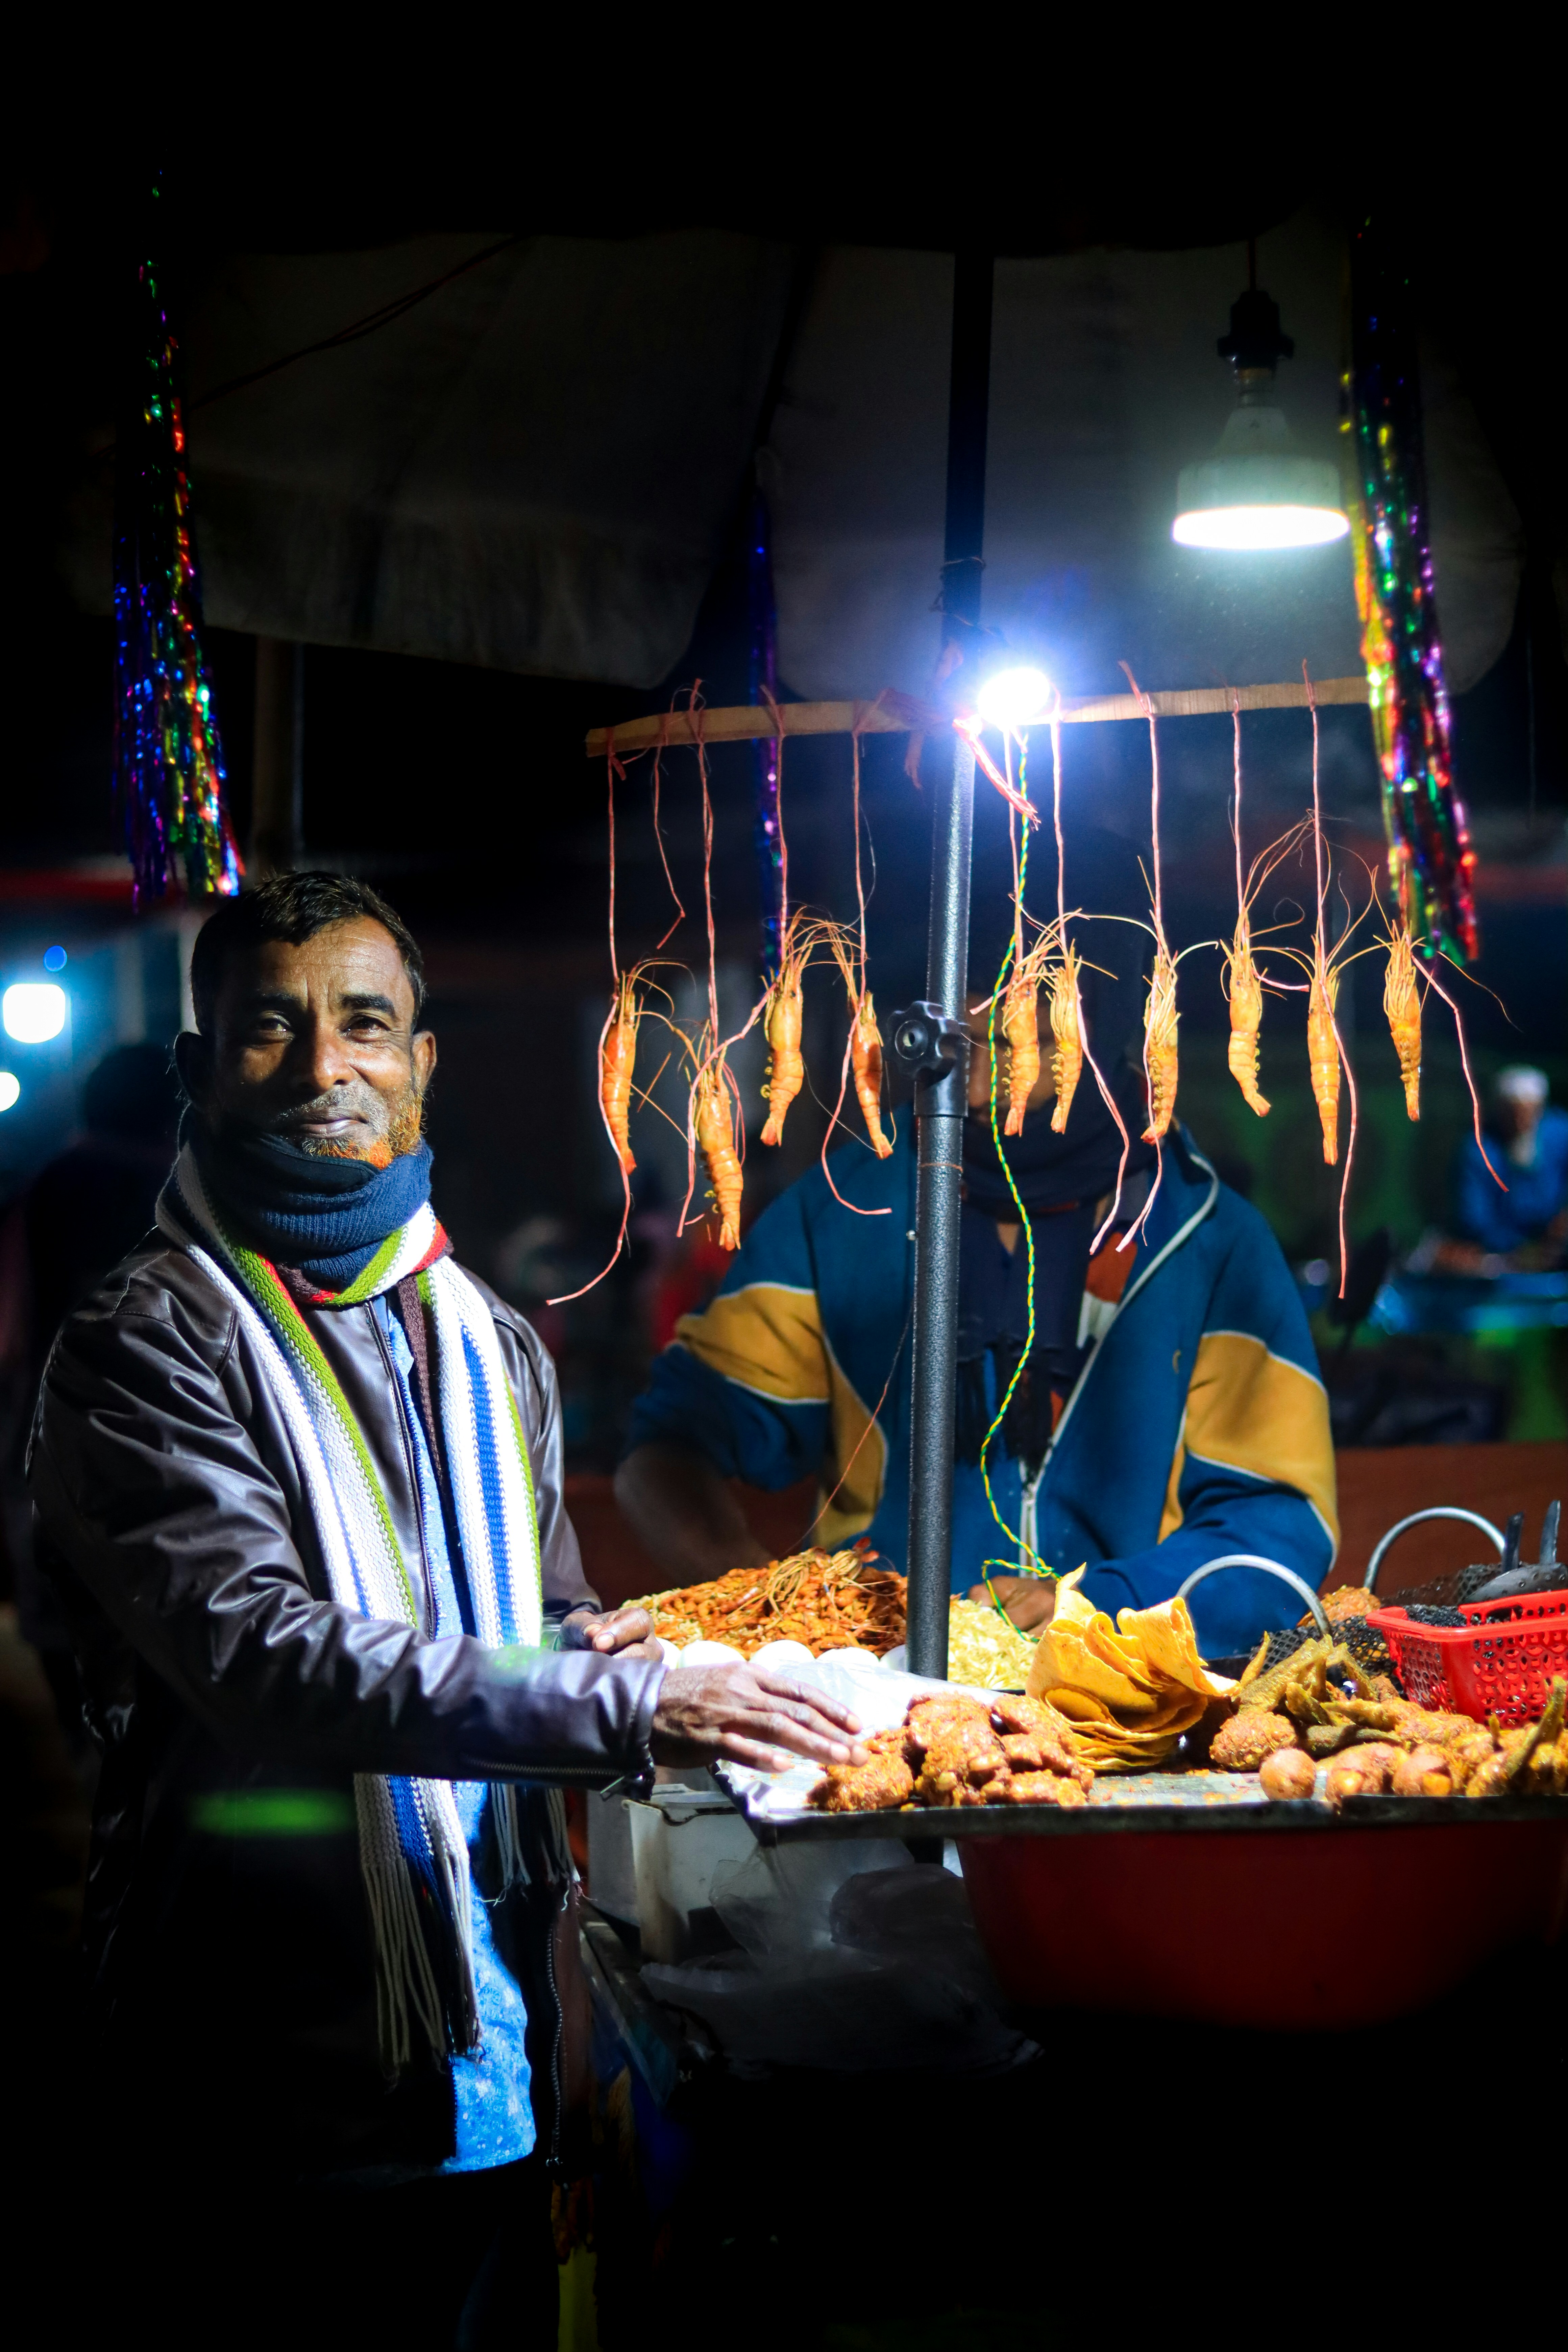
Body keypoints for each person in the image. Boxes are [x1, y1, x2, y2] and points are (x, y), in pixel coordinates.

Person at [27, 873, 860, 2346]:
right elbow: (265, 1656)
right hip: (261, 2069)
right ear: (198, 1067)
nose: (322, 1066)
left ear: (422, 1061)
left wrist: (617, 1644)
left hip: (491, 2050)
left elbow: (536, 1625)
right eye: (268, 1029)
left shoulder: (486, 1339)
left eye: (362, 1022)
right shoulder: (144, 1342)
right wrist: (620, 1700)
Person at [616, 830, 1336, 1658]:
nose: (985, 1013)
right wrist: (770, 1626)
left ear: (1095, 1013)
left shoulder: (1207, 1240)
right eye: (962, 983)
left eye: (1032, 982)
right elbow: (666, 1448)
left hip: (1132, 1708)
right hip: (878, 1706)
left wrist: (1104, 1603)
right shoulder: (842, 1210)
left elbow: (1281, 1527)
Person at [1453, 1065, 1568, 1262]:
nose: (1520, 1123)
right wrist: (1526, 1251)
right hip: (1501, 1258)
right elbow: (1475, 1221)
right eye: (1512, 1113)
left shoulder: (1559, 1134)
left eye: (1529, 1113)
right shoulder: (1479, 1151)